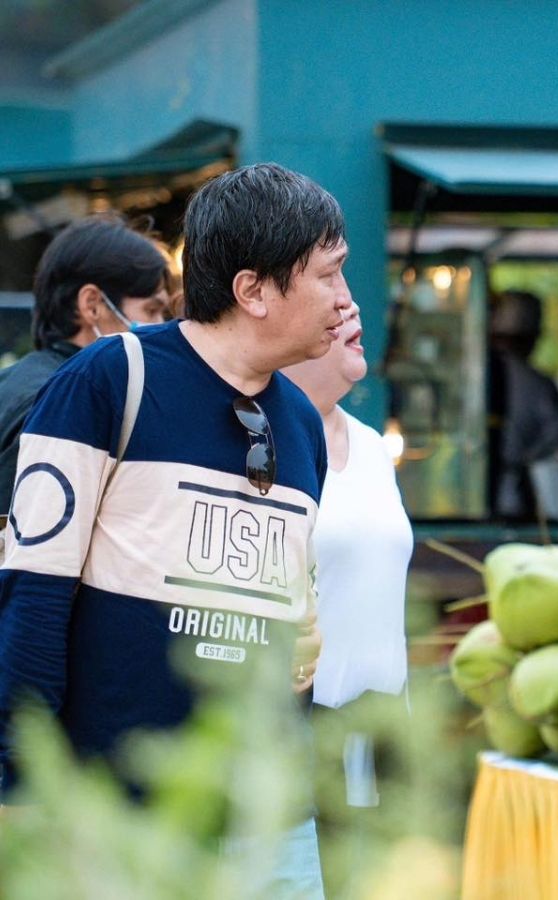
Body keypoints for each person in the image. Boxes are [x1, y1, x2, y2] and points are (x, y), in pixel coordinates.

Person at [0, 162, 351, 897]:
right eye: (327, 275)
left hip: (266, 824)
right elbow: (31, 598)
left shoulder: (300, 427)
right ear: (253, 290)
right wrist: (21, 788)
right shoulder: (107, 380)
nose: (345, 301)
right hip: (116, 821)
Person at [282, 299, 413, 891]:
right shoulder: (266, 443)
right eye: (330, 307)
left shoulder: (371, 447)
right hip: (305, 745)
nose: (353, 310)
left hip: (388, 739)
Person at [0, 216, 170, 515]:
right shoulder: (66, 403)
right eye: (151, 310)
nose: (161, 328)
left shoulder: (17, 382)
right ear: (92, 305)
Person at [487, 290, 558, 522]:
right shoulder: (538, 384)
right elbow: (556, 444)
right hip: (516, 498)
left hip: (507, 493)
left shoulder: (471, 376)